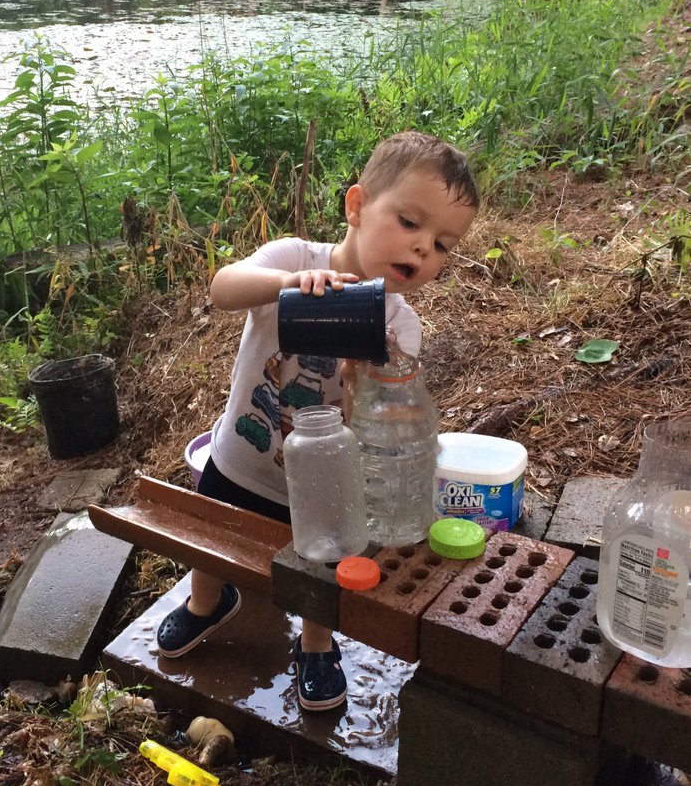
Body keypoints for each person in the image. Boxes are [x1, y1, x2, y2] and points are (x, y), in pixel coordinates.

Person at [156, 131, 480, 711]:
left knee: (319, 563)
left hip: (324, 480)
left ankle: (316, 642)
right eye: (409, 222)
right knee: (212, 538)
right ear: (356, 207)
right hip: (244, 451)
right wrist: (288, 288)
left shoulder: (399, 327)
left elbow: (372, 432)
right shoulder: (294, 258)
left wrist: (366, 383)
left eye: (444, 244)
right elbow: (222, 286)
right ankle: (208, 601)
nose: (424, 248)